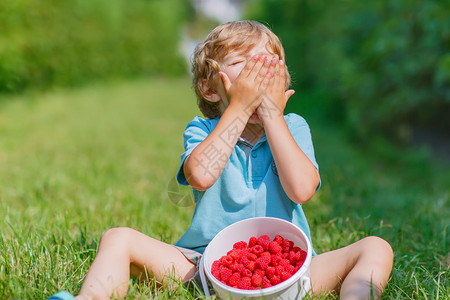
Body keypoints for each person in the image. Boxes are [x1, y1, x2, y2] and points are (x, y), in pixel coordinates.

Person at [49, 20, 393, 300]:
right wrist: (240, 108)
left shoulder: (294, 126)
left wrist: (272, 116)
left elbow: (302, 189)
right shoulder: (202, 128)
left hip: (293, 273)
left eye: (268, 68)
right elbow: (200, 175)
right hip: (204, 268)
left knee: (375, 247)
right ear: (211, 89)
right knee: (118, 237)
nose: (259, 76)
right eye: (244, 66)